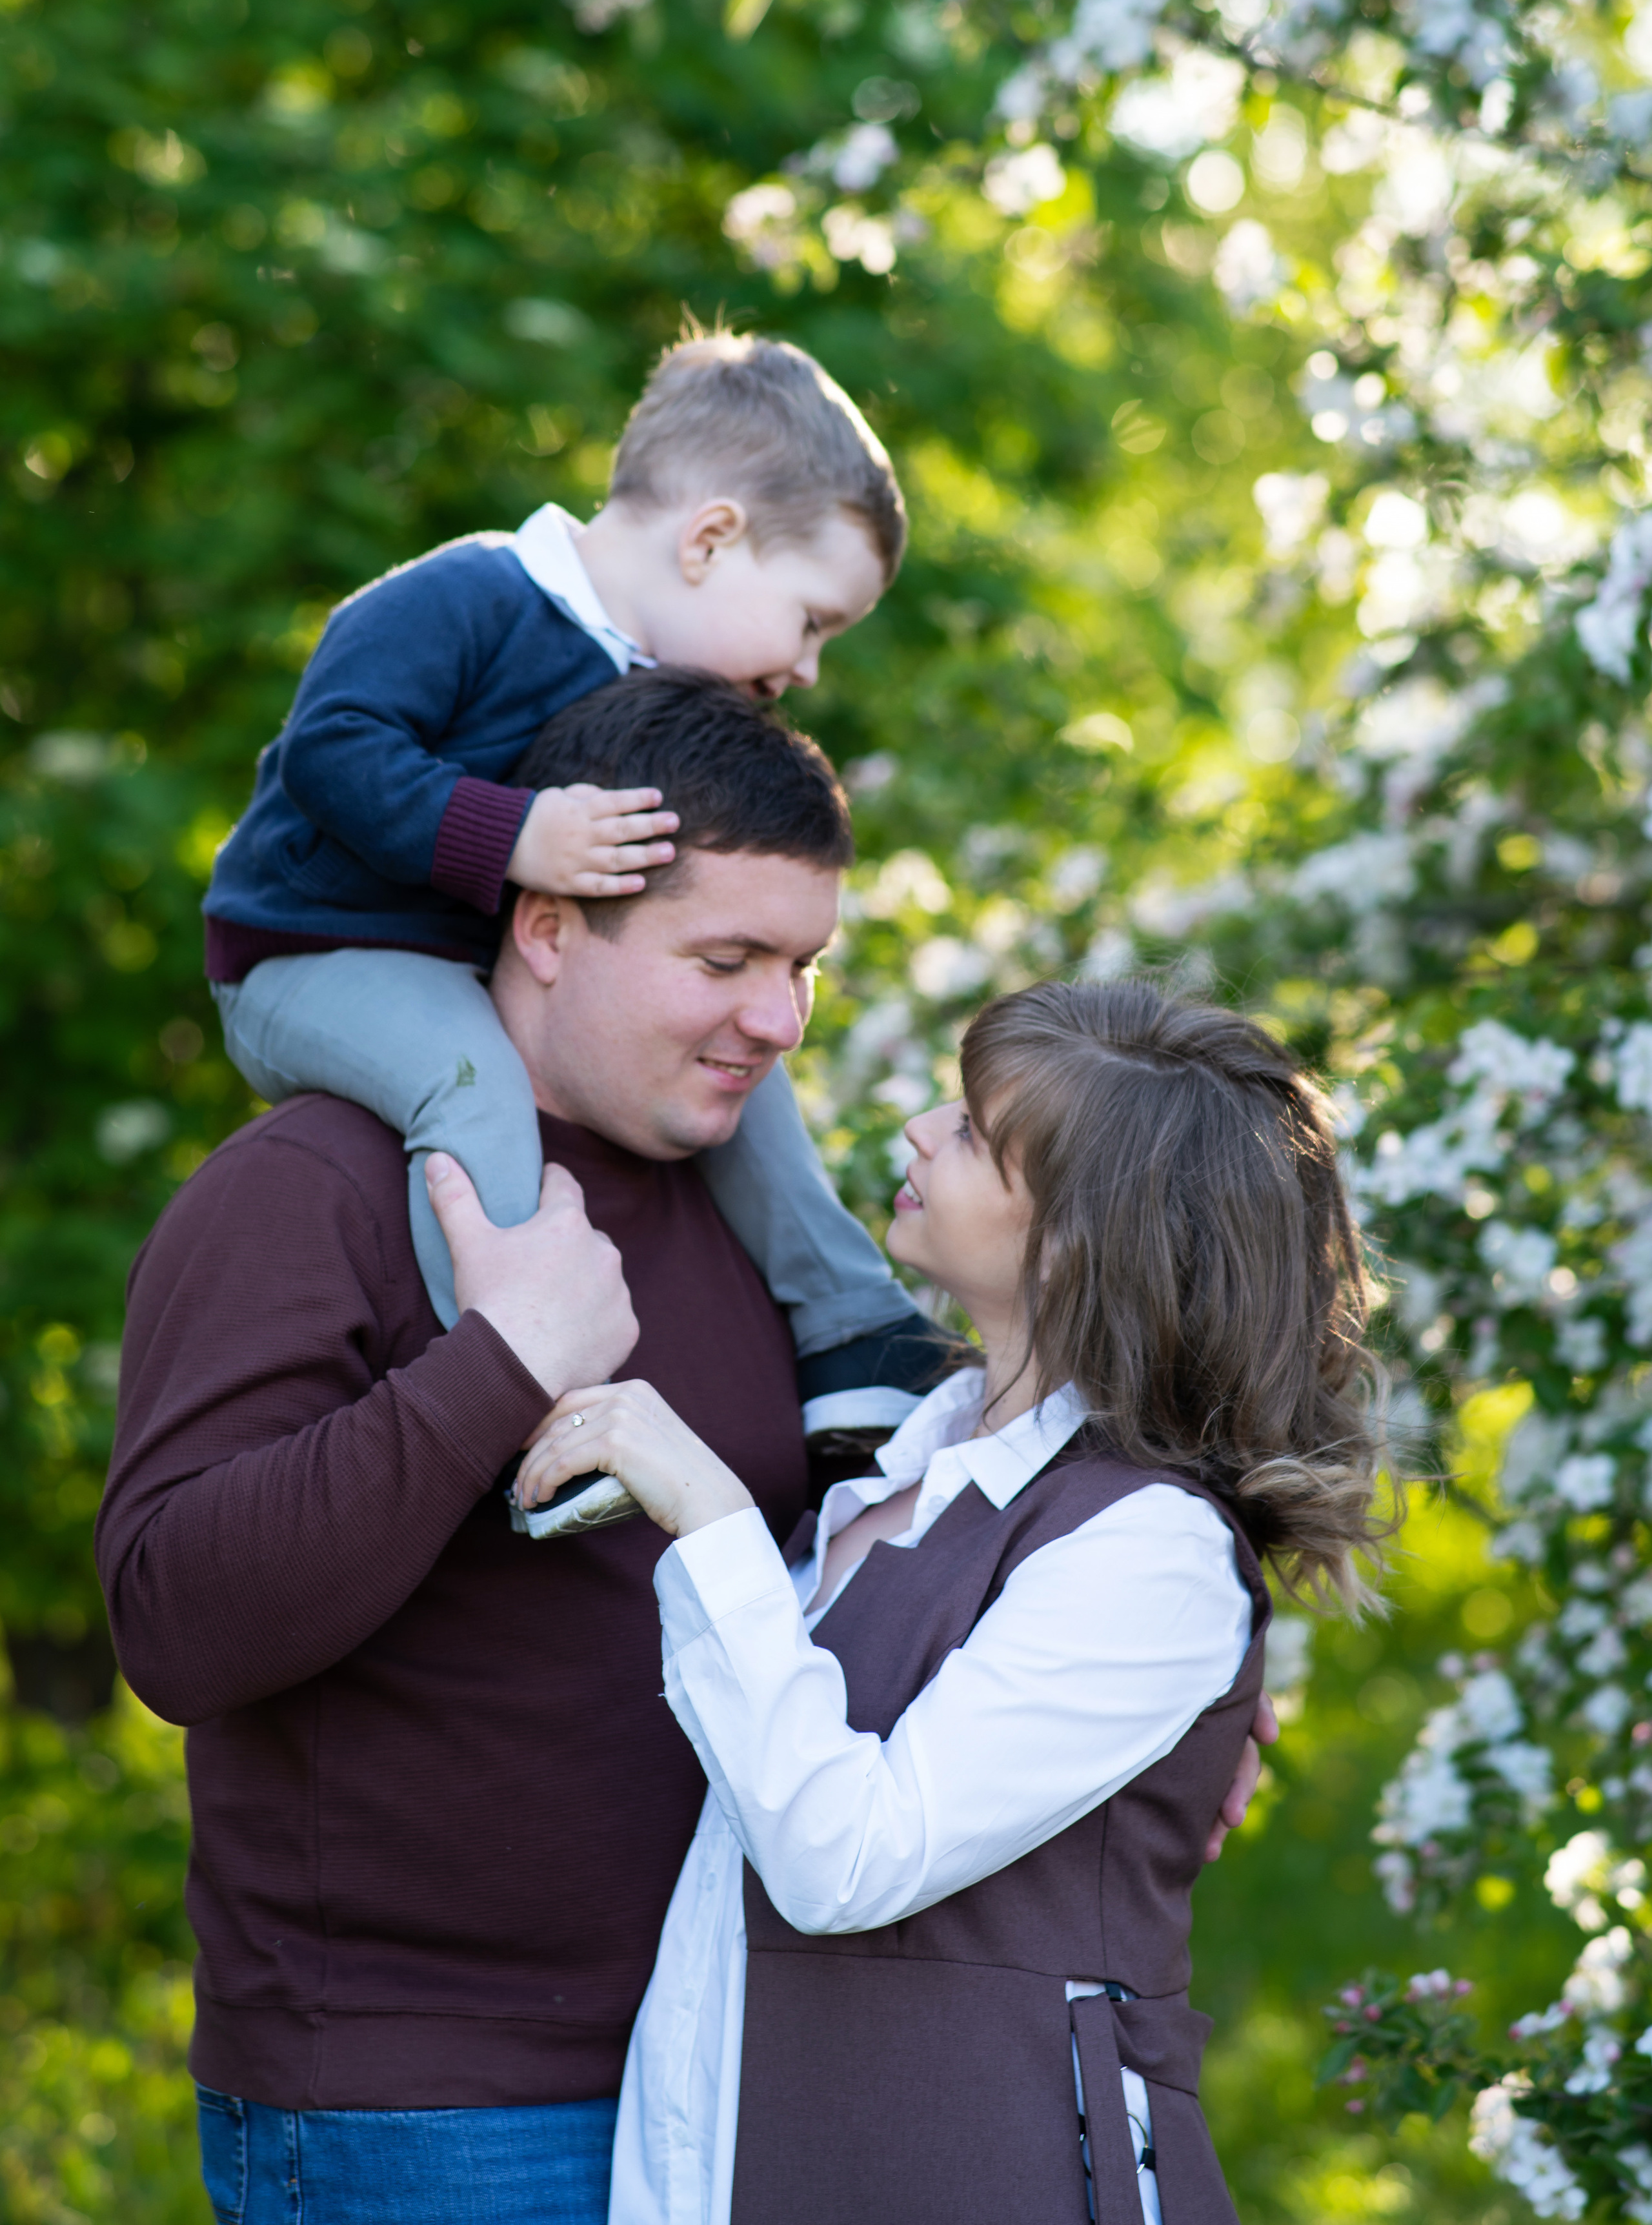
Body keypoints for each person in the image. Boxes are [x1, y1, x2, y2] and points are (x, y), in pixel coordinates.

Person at [99, 677, 1268, 2225]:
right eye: (723, 959)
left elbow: (1008, 1478)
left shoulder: (747, 1223)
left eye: (799, 966)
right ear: (547, 925)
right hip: (428, 2109)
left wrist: (1202, 1686)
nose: (777, 1021)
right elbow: (176, 1626)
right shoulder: (313, 1187)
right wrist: (498, 1363)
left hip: (730, 2085)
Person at [498, 979, 1389, 2225]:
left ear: (1080, 1236)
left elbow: (842, 1858)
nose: (918, 1128)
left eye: (972, 1131)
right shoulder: (908, 1461)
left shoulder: (1152, 1553)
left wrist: (709, 1518)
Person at [202, 330, 928, 1414]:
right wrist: (512, 836)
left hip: (467, 963)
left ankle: (854, 1334)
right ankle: (519, 1377)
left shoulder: (653, 691)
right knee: (473, 1085)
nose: (807, 669)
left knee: (745, 1056)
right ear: (712, 540)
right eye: (811, 621)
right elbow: (332, 746)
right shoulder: (471, 597)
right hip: (312, 952)